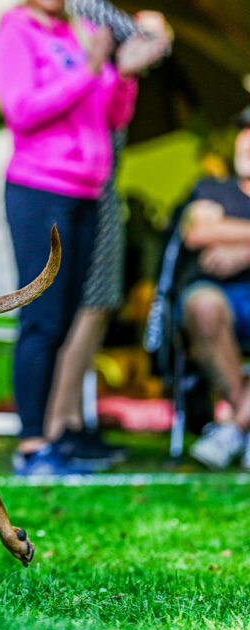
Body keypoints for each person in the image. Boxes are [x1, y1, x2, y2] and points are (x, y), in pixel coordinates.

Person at [0, 0, 168, 475]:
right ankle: (32, 444)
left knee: (65, 320)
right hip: (40, 189)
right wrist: (90, 68)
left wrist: (123, 75)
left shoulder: (76, 33)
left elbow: (112, 115)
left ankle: (54, 438)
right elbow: (22, 111)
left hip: (87, 191)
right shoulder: (14, 33)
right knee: (42, 320)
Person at [179, 107, 250, 470]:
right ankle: (244, 423)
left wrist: (241, 250)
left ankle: (234, 428)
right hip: (219, 295)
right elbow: (198, 232)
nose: (246, 142)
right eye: (243, 132)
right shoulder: (213, 187)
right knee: (203, 304)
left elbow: (215, 231)